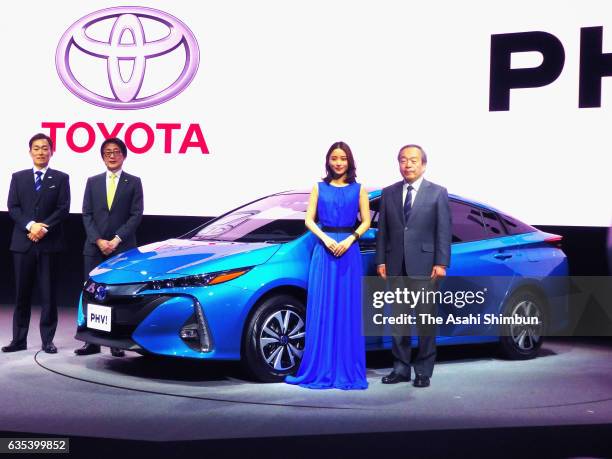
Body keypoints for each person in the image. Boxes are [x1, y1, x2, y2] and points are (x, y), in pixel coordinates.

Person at [285, 141, 371, 390]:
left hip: (349, 250)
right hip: (324, 252)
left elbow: (365, 221)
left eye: (343, 158)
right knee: (323, 308)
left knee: (347, 309)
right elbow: (309, 220)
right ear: (328, 160)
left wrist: (350, 239)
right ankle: (320, 367)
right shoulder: (318, 187)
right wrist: (325, 239)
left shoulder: (359, 189)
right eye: (334, 158)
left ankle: (346, 367)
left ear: (349, 161)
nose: (338, 162)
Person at [375, 144, 451, 388]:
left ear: (424, 165)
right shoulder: (389, 193)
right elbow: (382, 232)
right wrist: (381, 260)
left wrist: (441, 262)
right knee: (399, 323)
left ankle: (424, 370)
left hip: (426, 266)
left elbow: (443, 231)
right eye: (403, 160)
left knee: (425, 322)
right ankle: (400, 368)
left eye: (413, 160)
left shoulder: (437, 192)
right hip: (396, 266)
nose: (407, 164)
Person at [74, 137, 144, 357]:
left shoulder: (133, 182)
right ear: (102, 157)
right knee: (91, 294)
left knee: (116, 295)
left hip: (121, 249)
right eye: (107, 153)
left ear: (123, 155)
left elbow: (135, 215)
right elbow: (86, 214)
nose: (111, 156)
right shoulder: (92, 181)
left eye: (115, 152)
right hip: (94, 248)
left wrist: (115, 240)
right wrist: (98, 240)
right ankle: (90, 341)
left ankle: (115, 342)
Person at [2, 133, 70, 354]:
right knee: (22, 294)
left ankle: (47, 340)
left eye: (45, 148)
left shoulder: (61, 178)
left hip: (49, 244)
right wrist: (31, 225)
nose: (41, 152)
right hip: (23, 244)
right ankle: (18, 339)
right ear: (30, 151)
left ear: (52, 151)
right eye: (36, 148)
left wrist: (43, 228)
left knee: (48, 295)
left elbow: (63, 209)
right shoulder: (18, 177)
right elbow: (13, 207)